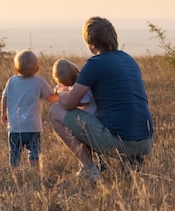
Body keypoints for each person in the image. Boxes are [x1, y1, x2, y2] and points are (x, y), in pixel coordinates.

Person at [49, 17, 154, 181]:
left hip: (121, 140)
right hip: (146, 141)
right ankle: (130, 160)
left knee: (55, 111)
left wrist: (61, 93)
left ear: (92, 47)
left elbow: (69, 104)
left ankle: (90, 169)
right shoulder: (129, 60)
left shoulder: (94, 64)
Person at [1, 49, 58, 169]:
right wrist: (60, 94)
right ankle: (35, 170)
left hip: (15, 127)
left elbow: (4, 97)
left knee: (14, 151)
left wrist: (3, 113)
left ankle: (14, 171)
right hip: (33, 126)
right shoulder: (39, 82)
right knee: (34, 150)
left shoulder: (11, 81)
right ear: (37, 69)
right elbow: (50, 98)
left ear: (15, 69)